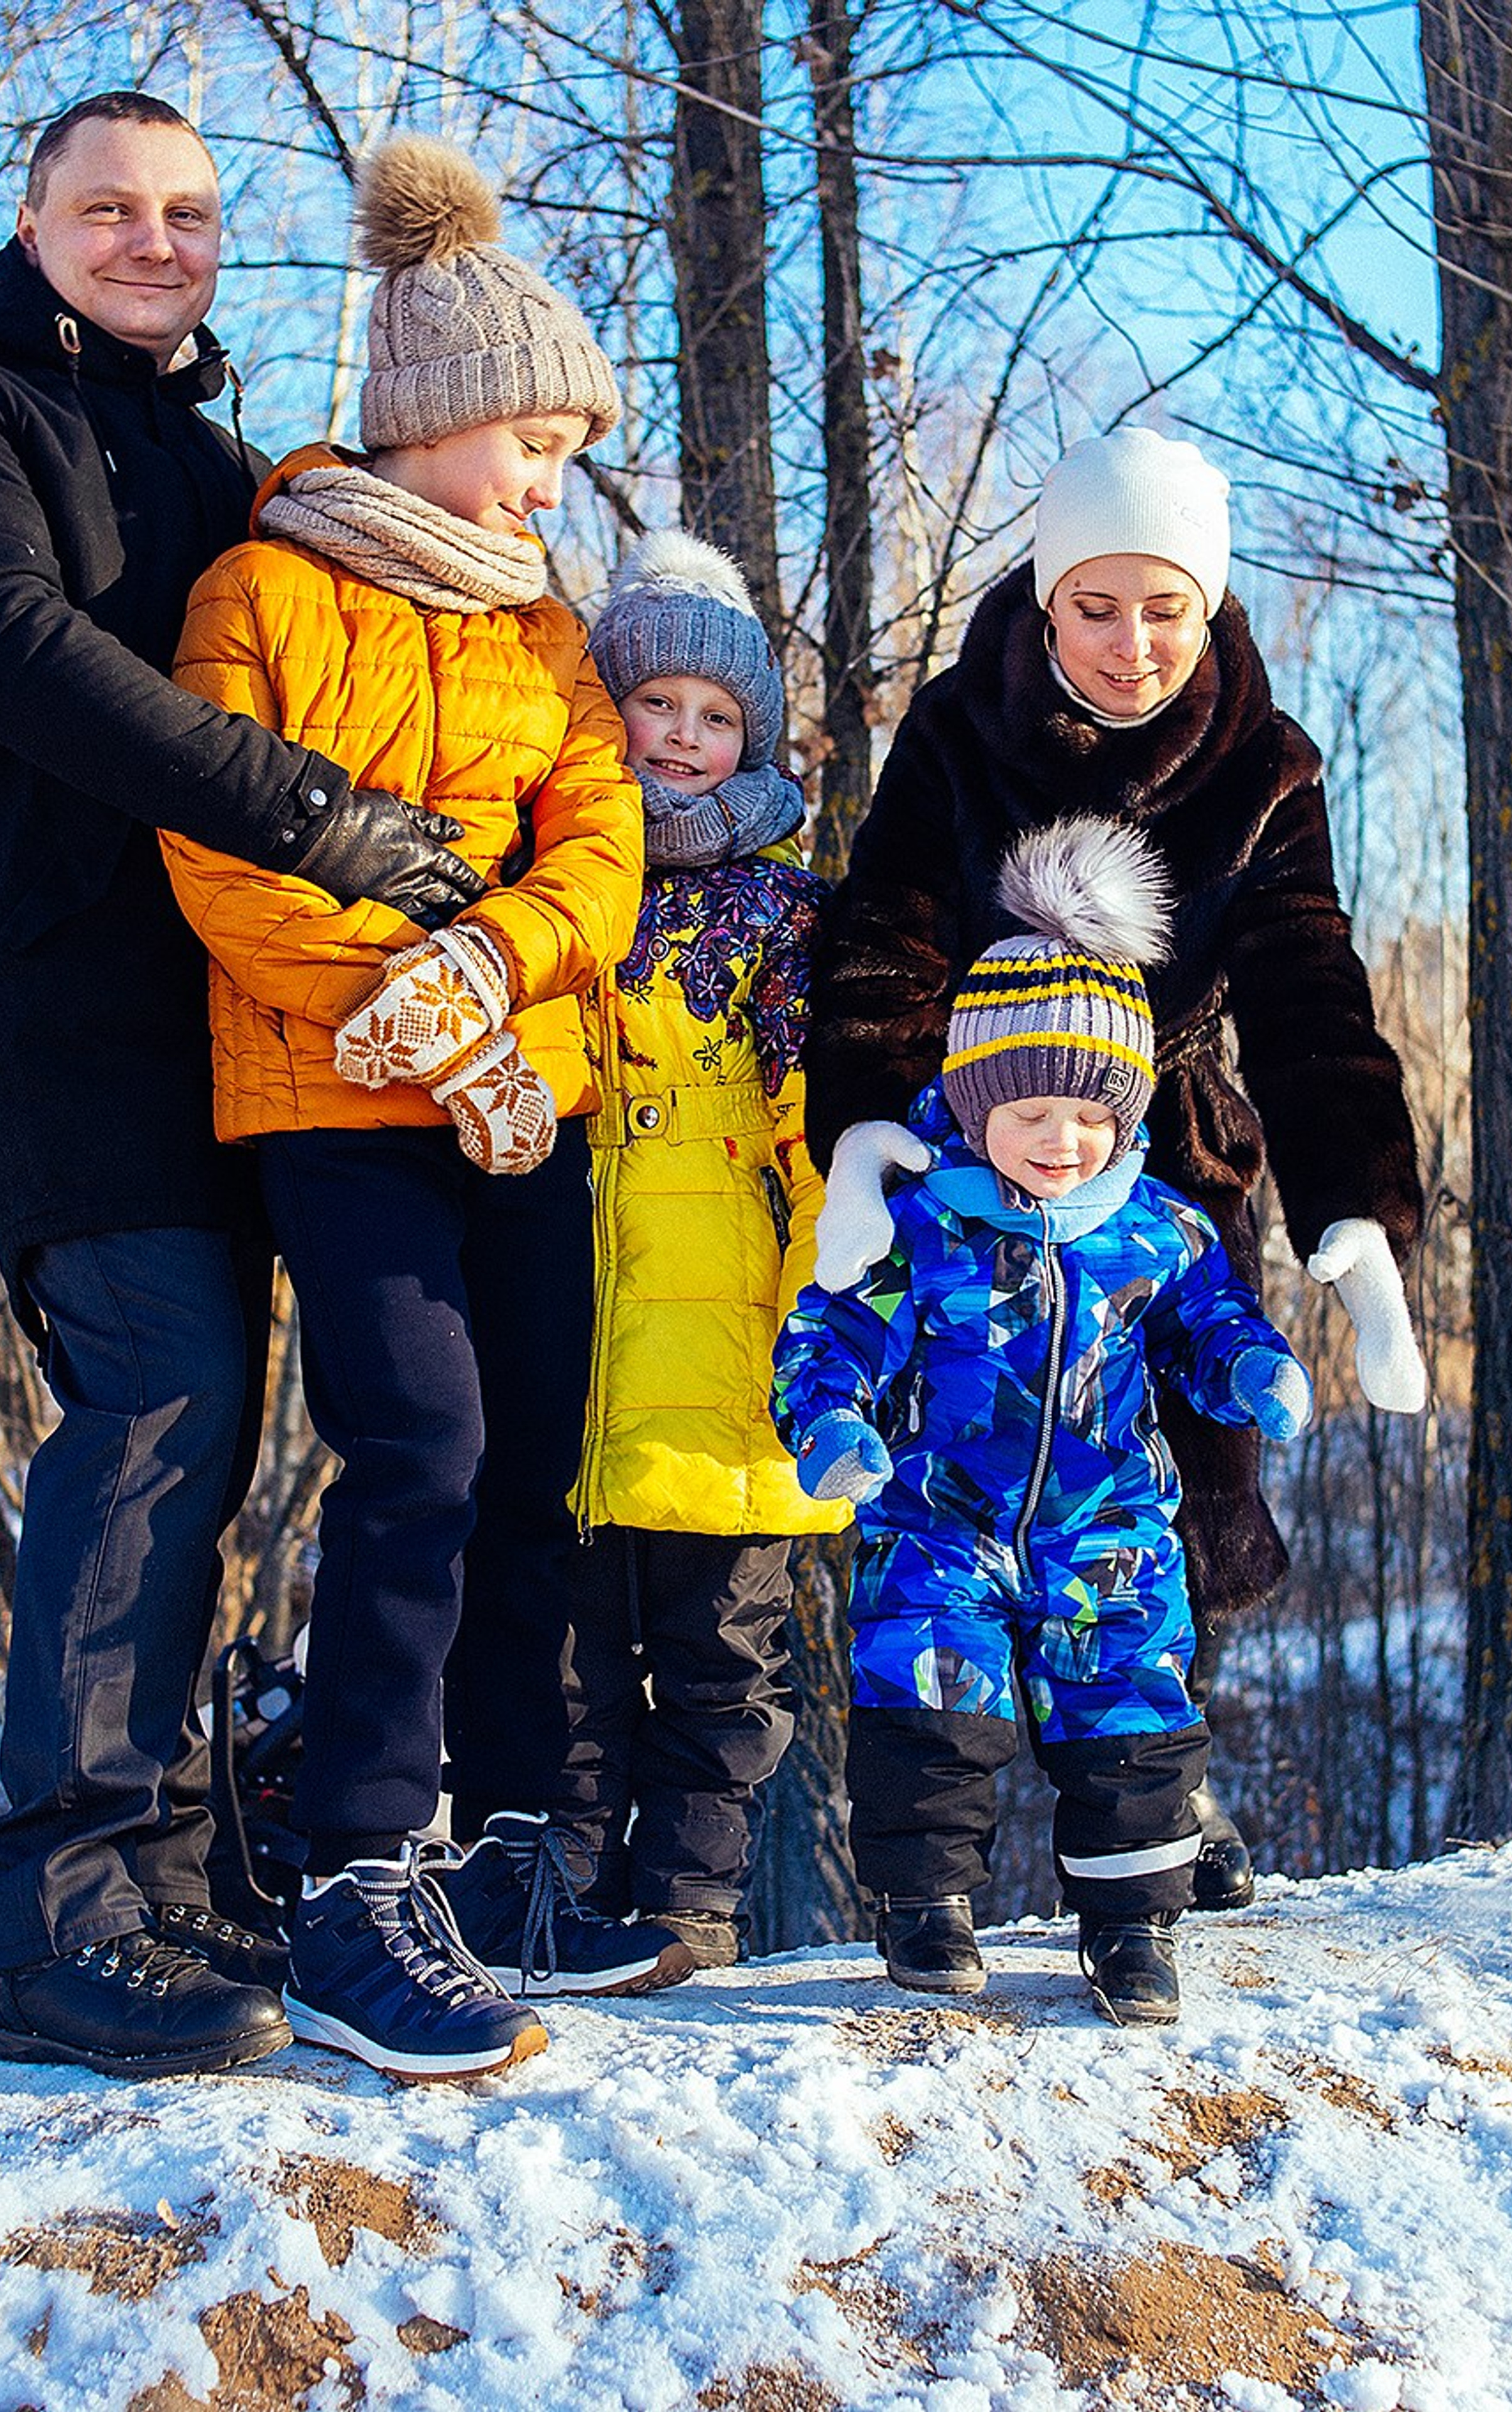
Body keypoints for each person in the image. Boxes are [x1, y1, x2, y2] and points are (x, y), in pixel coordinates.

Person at [161, 134, 687, 2078]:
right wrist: (408, 998)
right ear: (433, 415)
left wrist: (504, 969)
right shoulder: (263, 590)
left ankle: (499, 1858)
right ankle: (351, 1880)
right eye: (531, 439)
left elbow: (606, 845)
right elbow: (219, 857)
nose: (551, 479)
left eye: (564, 446)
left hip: (523, 1096)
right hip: (330, 1093)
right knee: (422, 1452)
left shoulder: (546, 626)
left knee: (528, 1462)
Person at [0, 92, 485, 2081]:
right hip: (50, 1019)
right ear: (32, 224)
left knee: (215, 1437)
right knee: (156, 1408)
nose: (153, 238)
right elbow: (20, 648)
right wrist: (313, 816)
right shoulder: (10, 416)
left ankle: (173, 1869)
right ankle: (60, 1910)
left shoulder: (204, 457)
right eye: (108, 206)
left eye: (189, 211)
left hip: (216, 1033)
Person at [800, 426, 1427, 1911]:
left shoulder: (1264, 766)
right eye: (1096, 604)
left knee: (1175, 1486)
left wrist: (1357, 1204)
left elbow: (1303, 982)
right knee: (950, 1484)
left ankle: (1164, 1792)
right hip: (970, 1162)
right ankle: (933, 1833)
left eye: (1166, 609)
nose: (1131, 643)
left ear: (1205, 607)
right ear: (1044, 590)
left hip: (1164, 1159)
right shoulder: (960, 731)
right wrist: (870, 1122)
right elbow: (885, 932)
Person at [775, 818, 1314, 2025]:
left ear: (1126, 1117)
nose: (1060, 1141)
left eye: (1089, 1117)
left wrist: (1252, 1372)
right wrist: (831, 1425)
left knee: (1130, 1721)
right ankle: (927, 1912)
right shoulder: (923, 1219)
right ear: (974, 1106)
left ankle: (1130, 1927)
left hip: (1107, 1527)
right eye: (1028, 1114)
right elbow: (832, 1331)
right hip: (941, 1522)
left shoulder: (1155, 1227)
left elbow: (1207, 1322)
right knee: (929, 1713)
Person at [449, 531, 849, 1973]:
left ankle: (687, 1904)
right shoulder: (542, 882)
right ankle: (556, 1895)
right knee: (559, 1649)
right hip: (563, 1323)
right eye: (653, 704)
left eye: (716, 714)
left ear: (752, 733)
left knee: (722, 1647)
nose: (680, 738)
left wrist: (821, 1324)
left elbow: (829, 1138)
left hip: (729, 1334)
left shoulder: (795, 918)